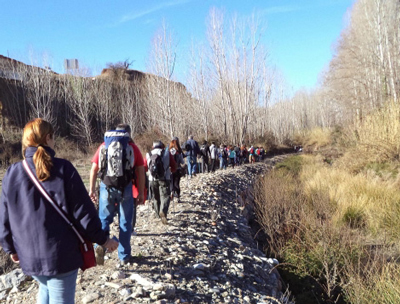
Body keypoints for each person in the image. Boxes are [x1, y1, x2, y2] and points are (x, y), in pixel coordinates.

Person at [0, 118, 118, 304]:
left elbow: (4, 217)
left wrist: (10, 248)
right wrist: (104, 240)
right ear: (48, 138)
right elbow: (84, 214)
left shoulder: (12, 172)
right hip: (61, 256)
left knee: (45, 289)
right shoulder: (64, 169)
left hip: (28, 255)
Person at [89, 124, 145, 265]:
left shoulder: (104, 145)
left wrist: (91, 189)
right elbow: (140, 171)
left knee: (104, 220)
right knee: (125, 223)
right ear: (128, 133)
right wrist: (141, 192)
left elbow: (94, 169)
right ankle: (124, 256)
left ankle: (100, 247)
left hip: (106, 187)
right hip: (126, 187)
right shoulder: (132, 147)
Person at [147, 140, 177, 225]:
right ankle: (163, 211)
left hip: (152, 179)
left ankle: (157, 215)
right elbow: (174, 166)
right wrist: (172, 171)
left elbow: (145, 166)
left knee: (155, 197)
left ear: (153, 146)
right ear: (161, 146)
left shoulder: (148, 154)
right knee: (165, 196)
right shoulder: (167, 153)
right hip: (164, 178)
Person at [169, 137, 185, 203]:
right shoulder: (179, 152)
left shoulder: (169, 151)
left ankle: (172, 192)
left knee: (171, 183)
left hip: (170, 170)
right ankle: (178, 197)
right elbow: (182, 162)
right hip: (177, 169)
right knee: (177, 183)